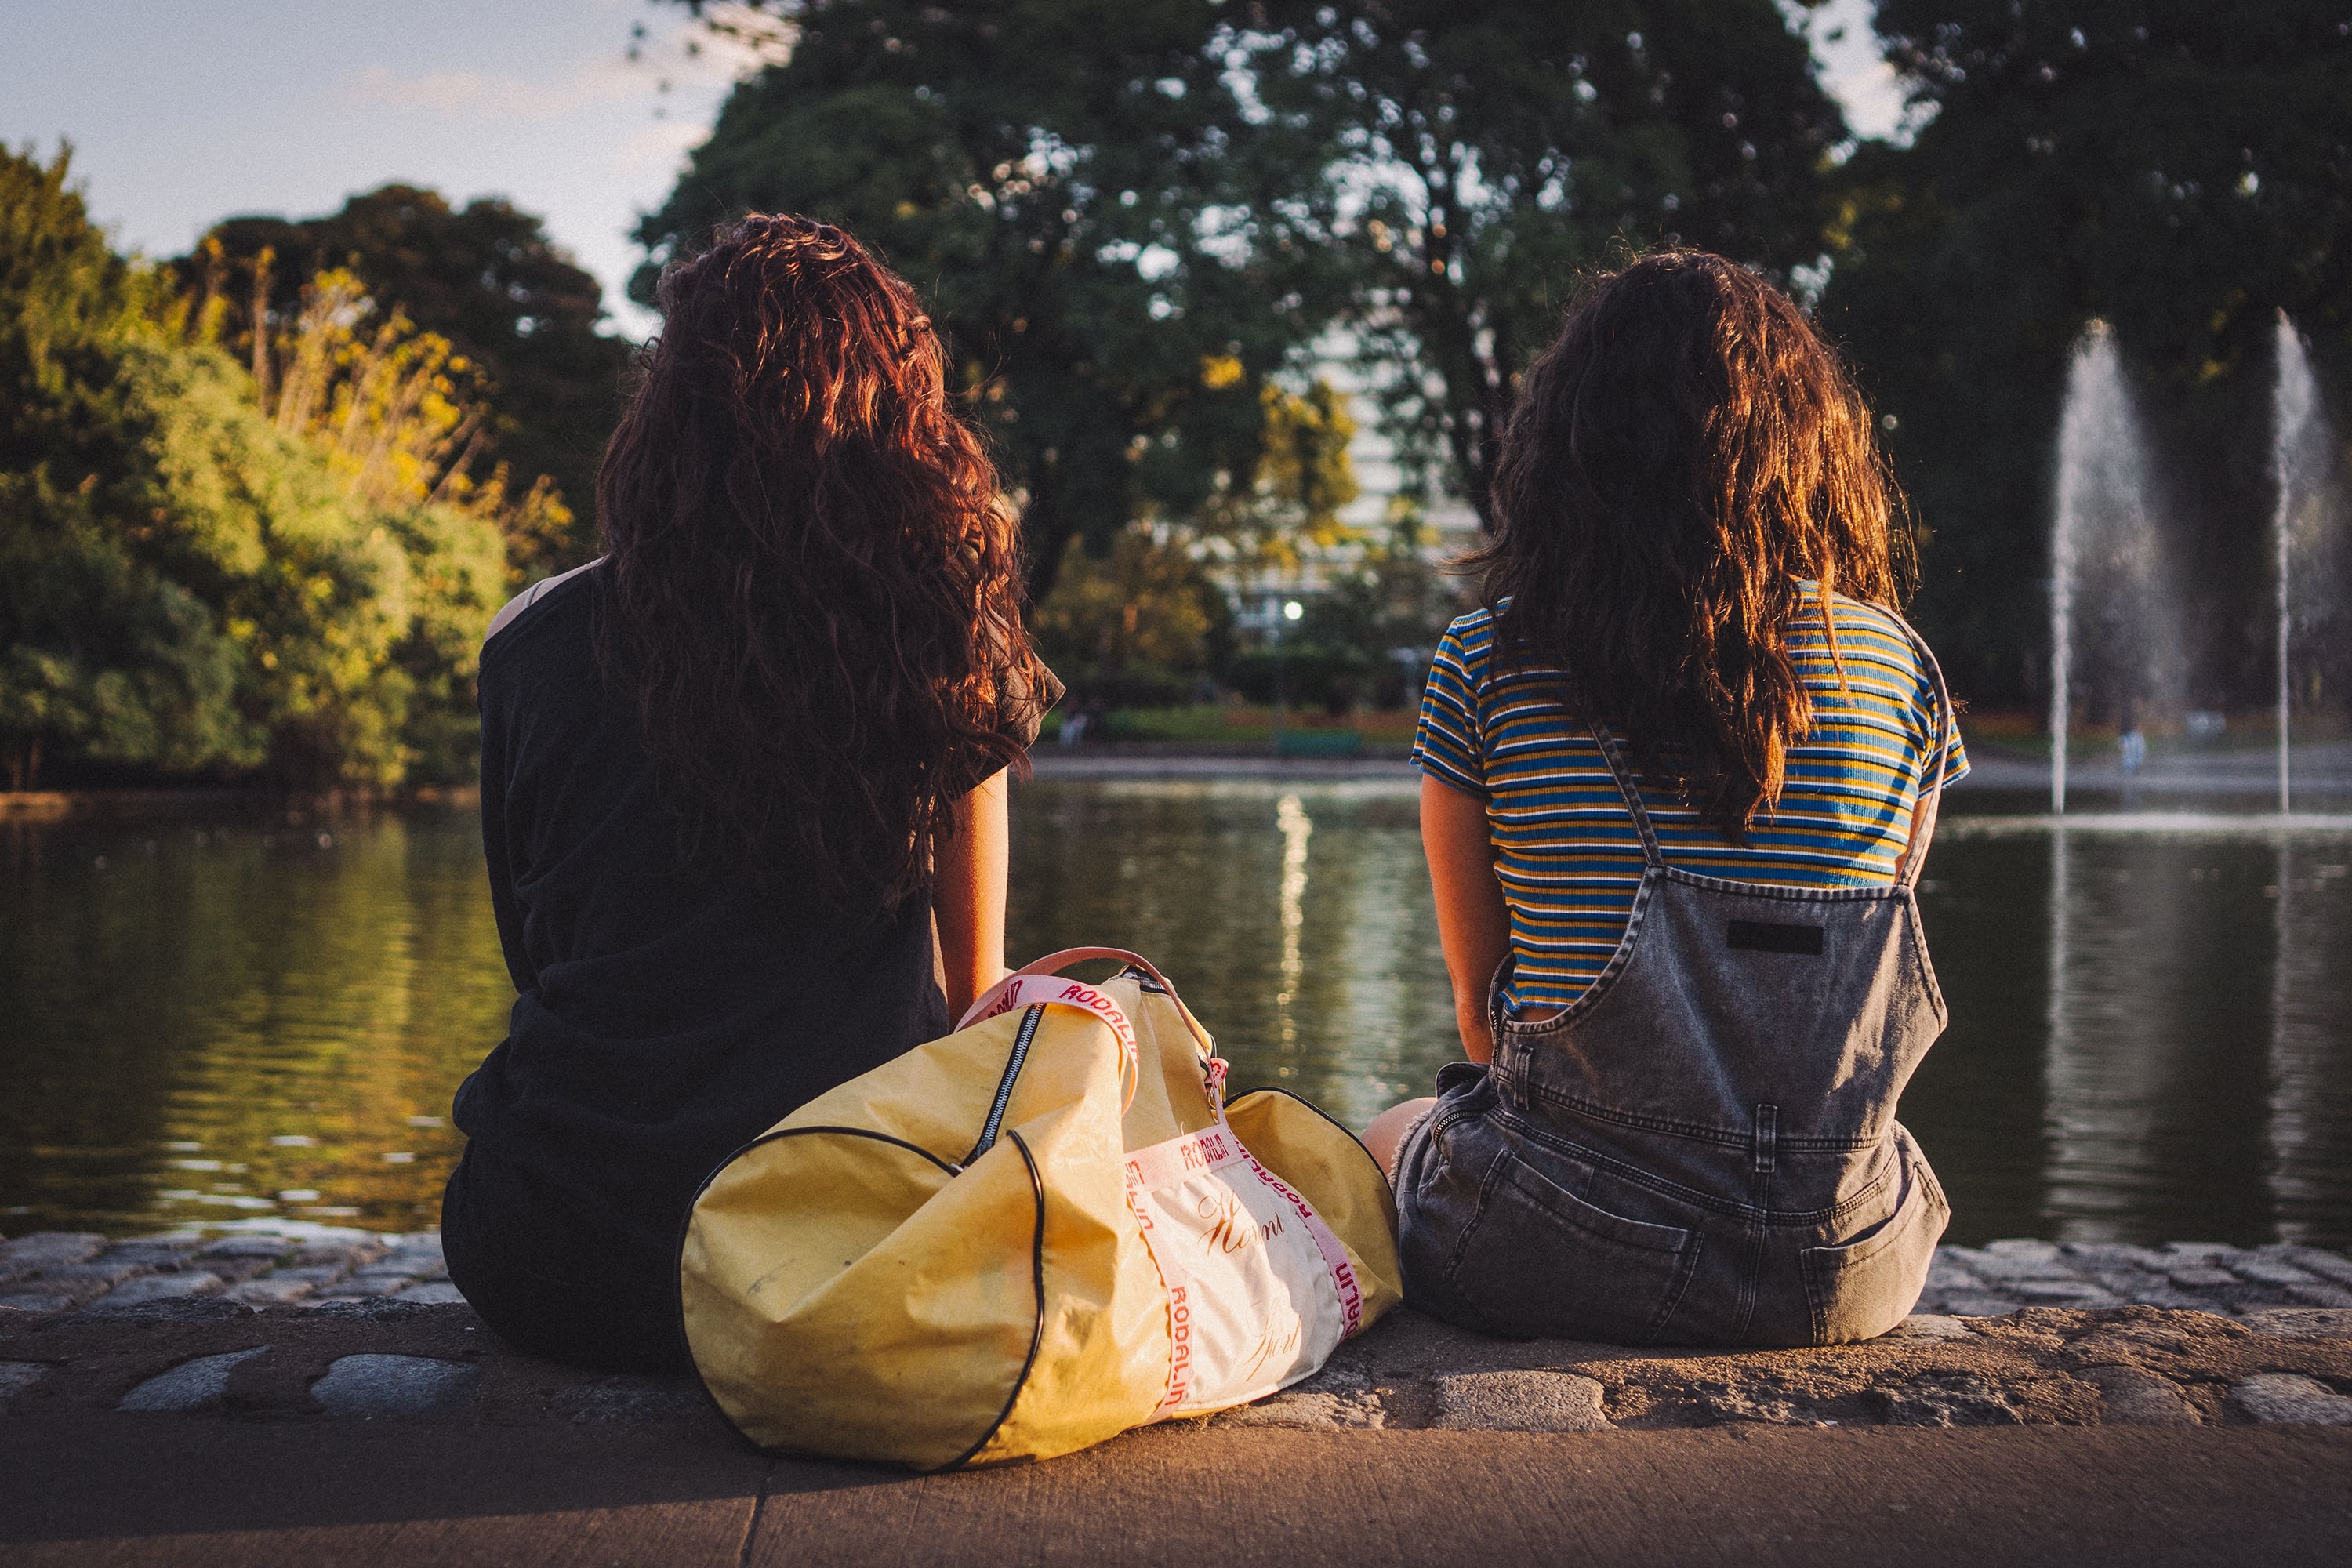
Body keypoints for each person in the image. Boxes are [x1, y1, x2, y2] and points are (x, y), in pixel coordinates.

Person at [441, 216, 1058, 1374]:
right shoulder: (943, 639)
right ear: (899, 414)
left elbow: (541, 951)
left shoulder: (528, 640)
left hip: (555, 1253)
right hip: (845, 1242)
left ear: (668, 407)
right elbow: (978, 995)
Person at [1364, 251, 1968, 1348]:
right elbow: (1835, 986)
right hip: (1844, 1268)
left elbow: (1482, 1009)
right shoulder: (1900, 669)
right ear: (1808, 450)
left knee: (1392, 1131)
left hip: (1567, 1251)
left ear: (1569, 446)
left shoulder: (1488, 663)